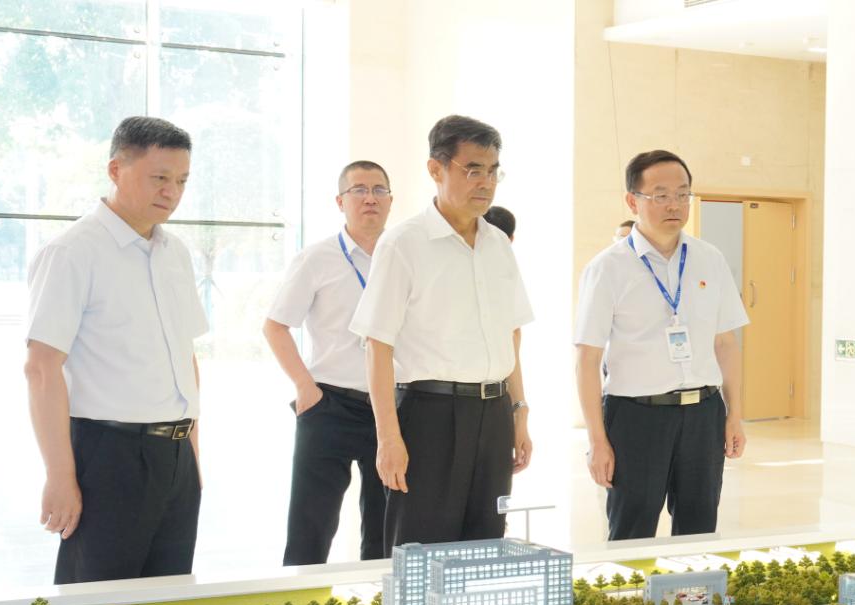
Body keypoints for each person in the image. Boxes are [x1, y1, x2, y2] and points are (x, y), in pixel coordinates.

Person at [24, 116, 206, 584]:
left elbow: (184, 357)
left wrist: (192, 456)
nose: (171, 191)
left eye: (182, 180)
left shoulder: (175, 253)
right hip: (109, 456)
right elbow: (41, 369)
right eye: (159, 177)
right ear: (115, 170)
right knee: (97, 603)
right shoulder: (73, 252)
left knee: (166, 603)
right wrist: (59, 476)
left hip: (176, 456)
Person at [350, 114, 533, 554]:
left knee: (486, 544)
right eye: (473, 169)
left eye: (493, 171)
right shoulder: (404, 243)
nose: (485, 182)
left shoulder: (497, 245)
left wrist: (519, 412)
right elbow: (378, 346)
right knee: (422, 549)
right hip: (429, 416)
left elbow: (511, 337)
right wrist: (388, 437)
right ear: (436, 169)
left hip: (494, 415)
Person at [574, 149, 748, 540]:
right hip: (636, 417)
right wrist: (597, 440)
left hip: (703, 413)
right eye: (661, 195)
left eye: (683, 194)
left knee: (699, 527)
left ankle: (695, 584)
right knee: (632, 531)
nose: (675, 204)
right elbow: (587, 359)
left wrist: (734, 415)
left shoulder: (709, 259)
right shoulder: (607, 268)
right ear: (632, 200)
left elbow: (726, 344)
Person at [263, 160, 393, 566]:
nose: (370, 198)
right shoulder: (316, 258)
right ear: (340, 201)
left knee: (386, 530)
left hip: (390, 409)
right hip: (329, 405)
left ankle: (380, 601)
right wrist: (306, 389)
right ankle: (301, 604)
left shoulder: (402, 257)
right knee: (310, 529)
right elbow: (275, 326)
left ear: (391, 200)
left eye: (379, 190)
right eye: (359, 190)